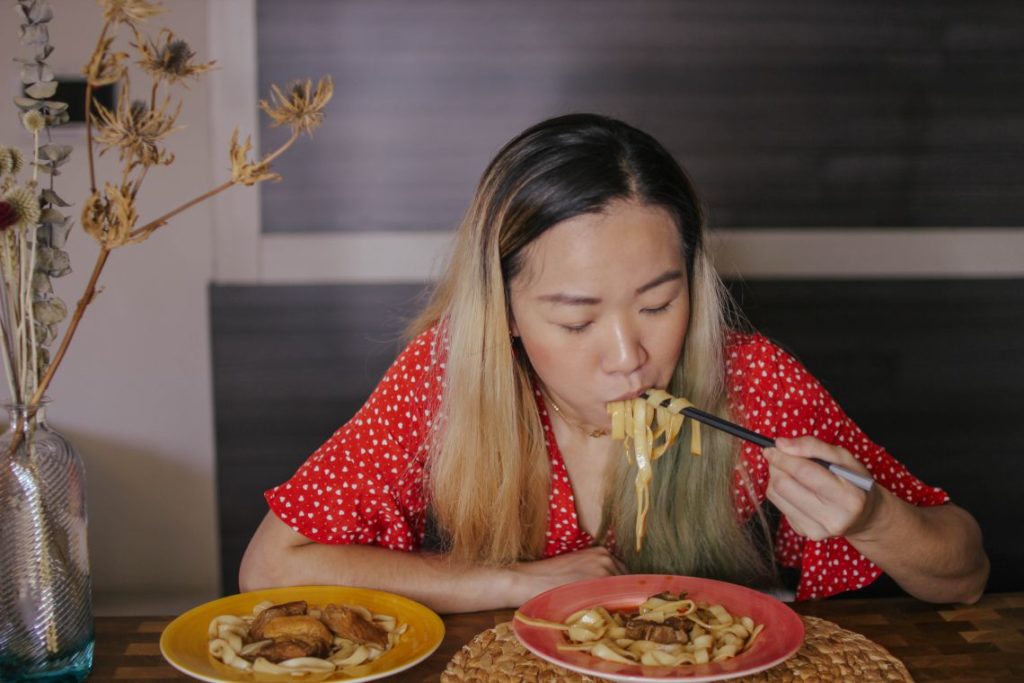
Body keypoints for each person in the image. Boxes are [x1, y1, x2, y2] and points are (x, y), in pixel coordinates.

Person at [239, 114, 989, 613]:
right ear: (502, 312)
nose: (630, 357)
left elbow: (964, 572)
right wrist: (513, 581)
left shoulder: (750, 378)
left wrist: (871, 516)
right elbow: (272, 568)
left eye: (659, 305)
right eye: (576, 317)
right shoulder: (444, 378)